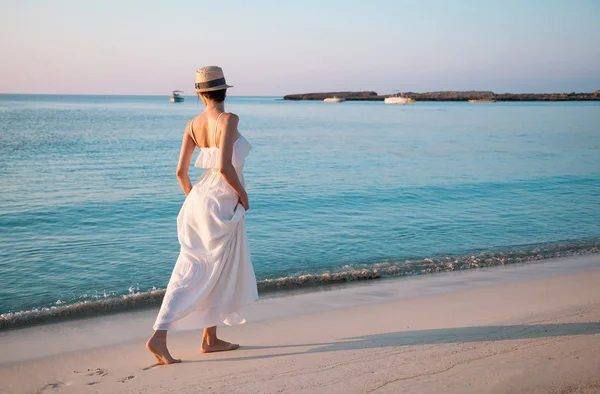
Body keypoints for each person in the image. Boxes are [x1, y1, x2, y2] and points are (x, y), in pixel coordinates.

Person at [146, 66, 258, 365]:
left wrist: (197, 200)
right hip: (222, 201)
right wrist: (243, 197)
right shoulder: (229, 119)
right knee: (206, 269)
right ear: (224, 90)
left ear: (199, 93)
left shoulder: (193, 124)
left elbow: (180, 172)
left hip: (197, 201)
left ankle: (210, 338)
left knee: (204, 267)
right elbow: (224, 167)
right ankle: (159, 335)